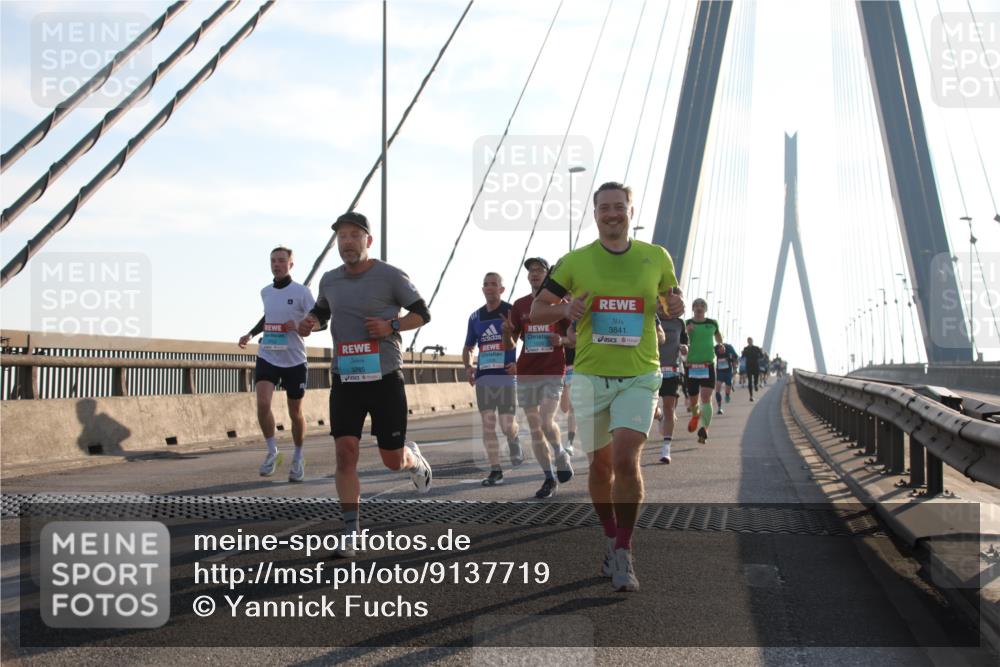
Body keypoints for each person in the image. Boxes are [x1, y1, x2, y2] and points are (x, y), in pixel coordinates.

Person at [530, 181, 684, 593]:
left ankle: (624, 549)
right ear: (595, 213)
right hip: (590, 375)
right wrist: (566, 307)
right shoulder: (576, 261)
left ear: (631, 211)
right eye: (604, 208)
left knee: (624, 459)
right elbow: (537, 311)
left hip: (640, 374)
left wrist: (674, 306)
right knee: (599, 467)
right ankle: (610, 536)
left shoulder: (656, 257)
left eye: (620, 207)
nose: (612, 214)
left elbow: (669, 302)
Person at [298, 212, 433, 557]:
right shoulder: (329, 280)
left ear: (367, 241)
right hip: (346, 376)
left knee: (391, 460)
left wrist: (393, 326)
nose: (347, 243)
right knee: (345, 453)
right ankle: (351, 531)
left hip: (385, 377)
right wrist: (310, 322)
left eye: (354, 236)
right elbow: (323, 313)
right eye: (341, 237)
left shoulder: (390, 276)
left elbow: (422, 313)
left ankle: (413, 461)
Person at [239, 246, 315, 482]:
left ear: (291, 264)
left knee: (295, 413)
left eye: (281, 260)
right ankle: (272, 451)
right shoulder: (266, 292)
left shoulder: (302, 292)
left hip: (294, 359)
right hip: (268, 354)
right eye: (273, 261)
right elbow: (267, 318)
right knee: (262, 402)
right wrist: (250, 335)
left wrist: (300, 324)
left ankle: (299, 455)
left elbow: (316, 320)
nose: (276, 264)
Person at [506, 257, 573, 499]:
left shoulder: (561, 304)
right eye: (531, 270)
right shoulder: (520, 305)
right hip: (527, 371)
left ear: (548, 274)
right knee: (535, 429)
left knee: (546, 421)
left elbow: (575, 338)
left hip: (553, 370)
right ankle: (548, 478)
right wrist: (506, 335)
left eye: (539, 269)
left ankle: (560, 453)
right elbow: (511, 341)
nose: (534, 274)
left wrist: (562, 340)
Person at [463, 272, 523, 486]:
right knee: (488, 424)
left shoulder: (510, 312)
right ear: (482, 289)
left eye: (494, 284)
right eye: (486, 284)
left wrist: (519, 363)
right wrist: (469, 366)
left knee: (507, 425)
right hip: (484, 377)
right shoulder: (475, 317)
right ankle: (495, 470)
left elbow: (521, 342)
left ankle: (514, 439)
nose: (489, 288)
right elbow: (469, 347)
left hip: (505, 377)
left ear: (502, 289)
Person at [684, 299, 723, 444]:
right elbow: (682, 342)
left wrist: (720, 344)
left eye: (702, 306)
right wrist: (687, 333)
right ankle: (695, 415)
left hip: (708, 366)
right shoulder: (687, 323)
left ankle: (704, 429)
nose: (699, 308)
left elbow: (718, 336)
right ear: (693, 308)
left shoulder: (712, 323)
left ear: (705, 309)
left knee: (706, 398)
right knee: (694, 401)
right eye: (696, 306)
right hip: (692, 366)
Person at [656, 303, 687, 463]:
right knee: (652, 409)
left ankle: (666, 449)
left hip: (671, 370)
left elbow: (685, 342)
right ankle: (659, 416)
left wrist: (684, 348)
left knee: (669, 407)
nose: (663, 307)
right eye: (660, 303)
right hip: (651, 369)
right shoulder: (651, 318)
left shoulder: (679, 323)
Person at [713, 341, 739, 414]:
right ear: (718, 350)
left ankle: (727, 395)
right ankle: (719, 408)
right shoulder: (716, 349)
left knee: (728, 388)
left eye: (723, 349)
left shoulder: (729, 352)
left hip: (728, 373)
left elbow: (735, 360)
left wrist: (735, 369)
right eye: (720, 350)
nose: (722, 351)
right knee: (717, 390)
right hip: (720, 373)